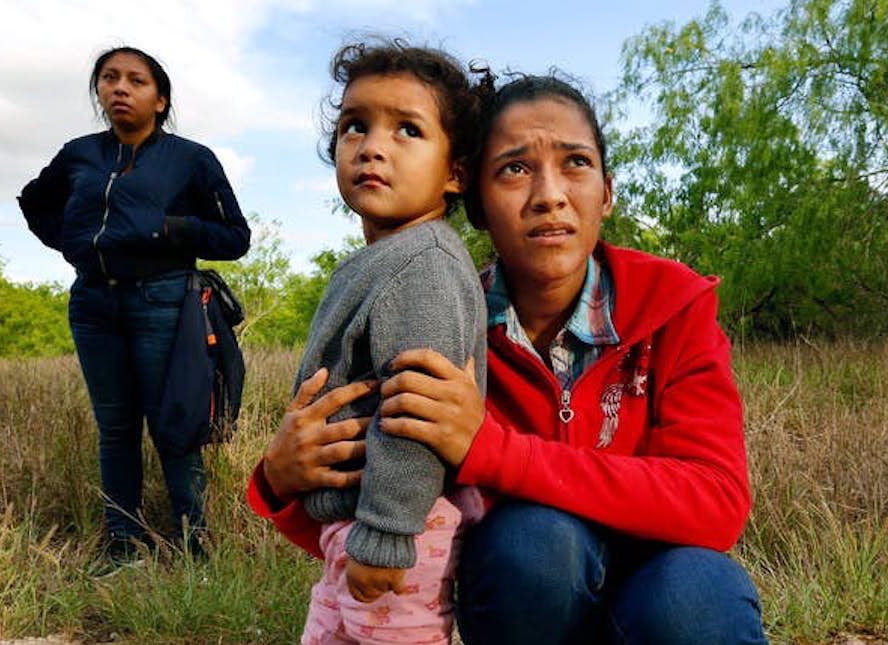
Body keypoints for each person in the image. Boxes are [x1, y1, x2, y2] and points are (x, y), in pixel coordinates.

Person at [254, 71, 768, 644]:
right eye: (515, 169)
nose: (549, 194)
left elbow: (716, 503)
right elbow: (394, 523)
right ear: (474, 202)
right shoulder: (443, 321)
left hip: (656, 580)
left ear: (608, 192)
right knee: (532, 543)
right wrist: (278, 480)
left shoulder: (672, 307)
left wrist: (489, 449)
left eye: (576, 162)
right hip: (531, 597)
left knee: (698, 595)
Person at [250, 41, 487, 644]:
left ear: (456, 171)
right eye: (355, 125)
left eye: (407, 129)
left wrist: (385, 533)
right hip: (360, 525)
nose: (372, 146)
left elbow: (417, 413)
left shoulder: (424, 264)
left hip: (398, 527)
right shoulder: (380, 260)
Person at [18, 46, 251, 563]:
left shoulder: (191, 159)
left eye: (136, 80)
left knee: (174, 424)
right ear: (99, 91)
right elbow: (34, 203)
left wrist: (168, 229)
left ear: (160, 99)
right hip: (94, 304)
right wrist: (79, 243)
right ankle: (124, 547)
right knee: (116, 429)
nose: (120, 88)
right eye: (109, 78)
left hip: (163, 301)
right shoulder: (79, 153)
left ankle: (195, 550)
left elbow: (236, 237)